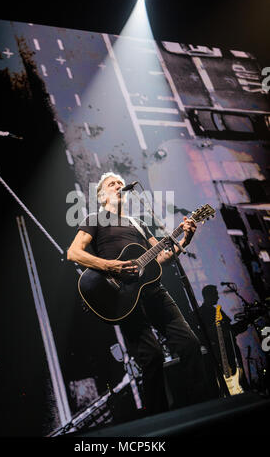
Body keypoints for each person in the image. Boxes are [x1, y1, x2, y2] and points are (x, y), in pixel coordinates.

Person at [67, 172, 207, 415]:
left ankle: (204, 409)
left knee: (190, 343)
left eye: (121, 182)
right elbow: (74, 253)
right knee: (151, 359)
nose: (119, 186)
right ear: (102, 195)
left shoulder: (138, 223)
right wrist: (109, 265)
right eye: (112, 183)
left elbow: (162, 255)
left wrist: (186, 238)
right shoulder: (95, 219)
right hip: (122, 297)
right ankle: (158, 421)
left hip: (153, 291)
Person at [197, 284, 249, 395]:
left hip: (229, 350)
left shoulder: (215, 311)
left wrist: (244, 323)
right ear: (209, 295)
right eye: (215, 294)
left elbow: (229, 330)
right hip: (224, 354)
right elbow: (223, 332)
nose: (218, 297)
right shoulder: (203, 313)